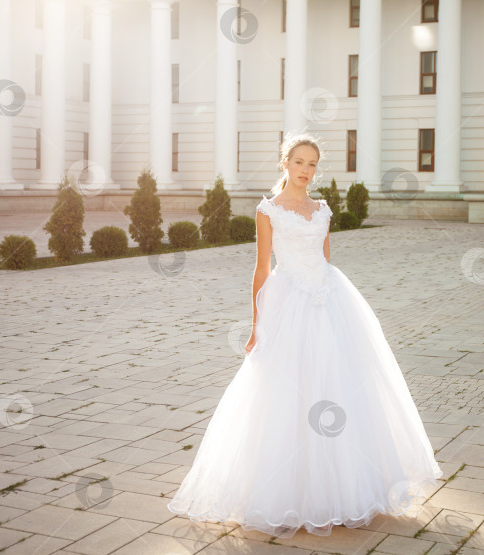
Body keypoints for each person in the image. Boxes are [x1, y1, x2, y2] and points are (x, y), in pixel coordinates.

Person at [166, 133, 443, 538]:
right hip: (288, 301)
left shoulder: (322, 208)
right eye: (299, 162)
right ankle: (287, 492)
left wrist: (325, 292)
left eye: (312, 164)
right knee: (288, 393)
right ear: (285, 163)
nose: (305, 170)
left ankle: (345, 492)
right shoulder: (268, 210)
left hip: (330, 301)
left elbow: (326, 257)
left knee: (339, 386)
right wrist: (258, 322)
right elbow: (262, 269)